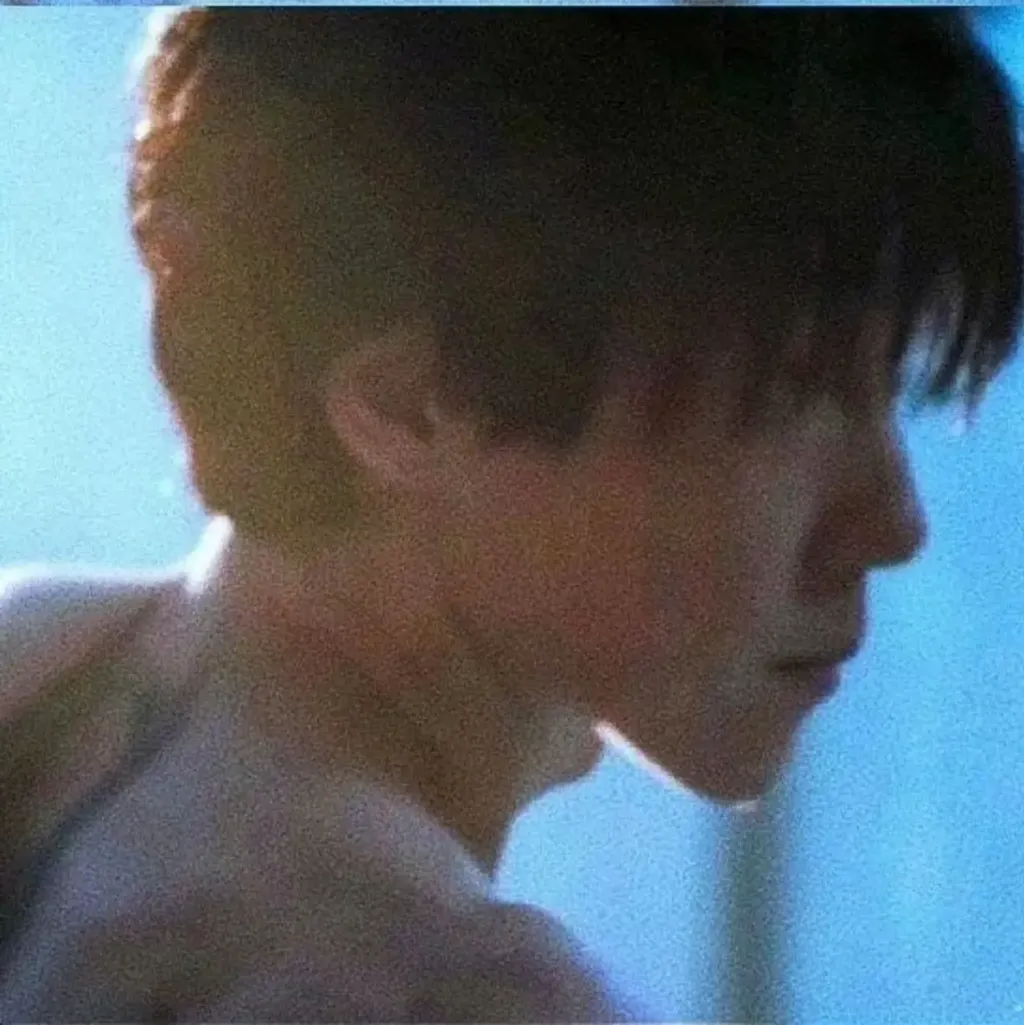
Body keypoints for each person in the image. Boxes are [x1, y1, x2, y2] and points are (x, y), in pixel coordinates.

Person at [1, 8, 1020, 1022]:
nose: (893, 523)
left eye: (891, 386)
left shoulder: (33, 664)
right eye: (793, 396)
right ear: (410, 404)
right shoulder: (449, 995)